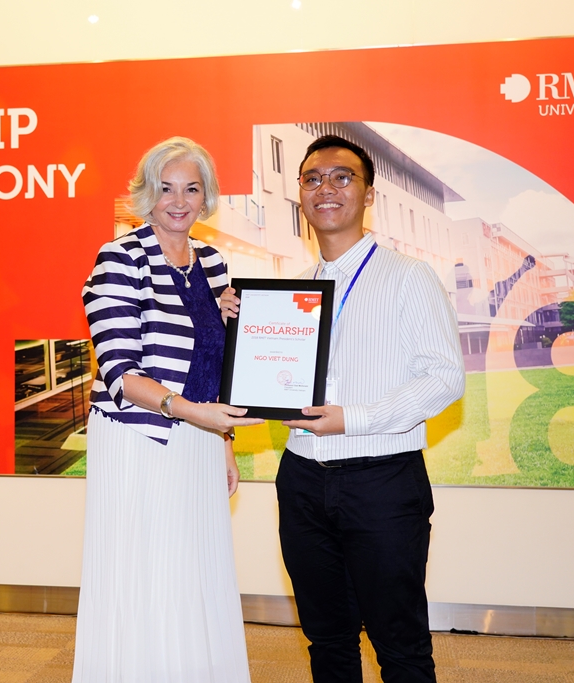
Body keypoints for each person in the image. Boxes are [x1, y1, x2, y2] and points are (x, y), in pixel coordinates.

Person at [221, 135, 465, 682]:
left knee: (398, 641)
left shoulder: (408, 276)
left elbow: (445, 378)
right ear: (300, 193)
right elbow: (264, 381)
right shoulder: (293, 292)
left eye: (341, 177)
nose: (324, 189)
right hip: (303, 480)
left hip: (381, 482)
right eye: (311, 179)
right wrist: (235, 323)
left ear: (369, 193)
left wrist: (352, 419)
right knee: (326, 638)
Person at [72, 137, 263, 682]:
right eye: (166, 188)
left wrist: (222, 442)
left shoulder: (214, 263)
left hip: (199, 442)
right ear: (146, 194)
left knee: (195, 567)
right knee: (146, 571)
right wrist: (193, 414)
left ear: (207, 198)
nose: (178, 201)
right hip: (141, 440)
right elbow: (120, 372)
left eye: (192, 188)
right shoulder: (120, 257)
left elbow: (215, 363)